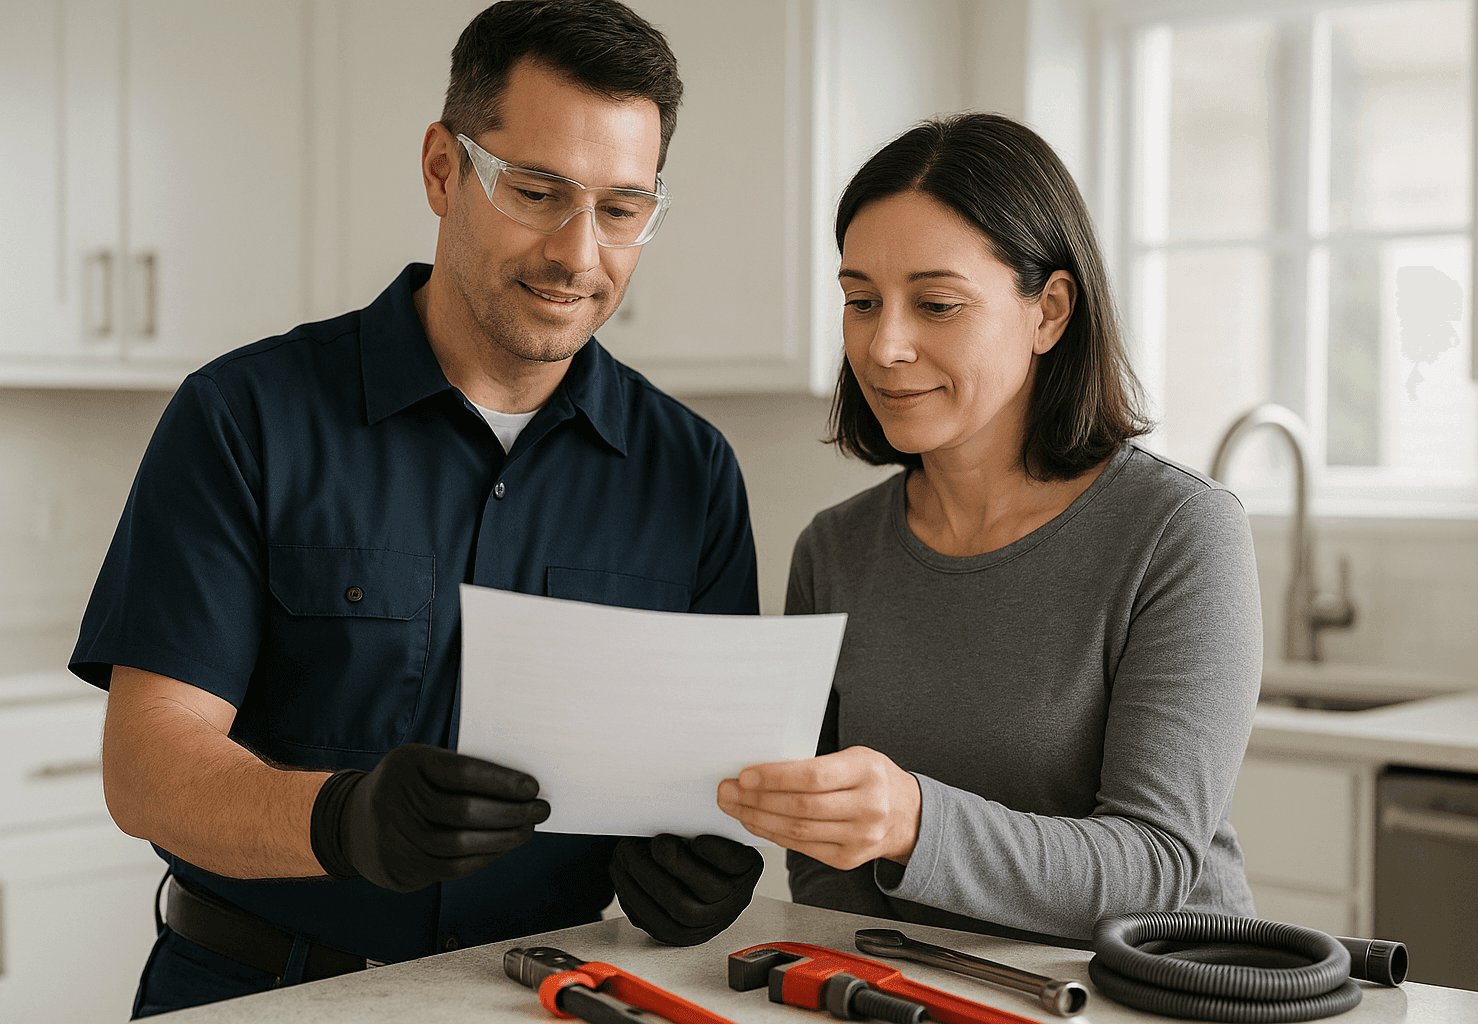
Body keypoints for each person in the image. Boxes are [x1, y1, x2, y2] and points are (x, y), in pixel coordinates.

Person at [72, 1, 763, 1016]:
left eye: (621, 210)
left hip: (547, 1000)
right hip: (257, 994)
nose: (579, 255)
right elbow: (147, 768)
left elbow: (706, 788)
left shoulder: (692, 474)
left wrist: (705, 870)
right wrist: (341, 821)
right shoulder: (242, 417)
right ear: (444, 169)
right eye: (538, 192)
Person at [717, 112, 1263, 946]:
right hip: (931, 993)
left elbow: (1154, 865)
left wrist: (915, 821)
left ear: (1049, 312)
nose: (884, 345)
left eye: (937, 304)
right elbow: (825, 856)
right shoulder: (834, 551)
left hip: (1155, 989)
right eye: (861, 301)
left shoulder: (1180, 531)